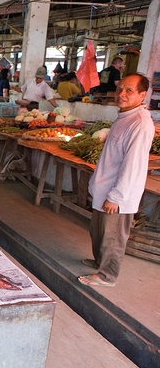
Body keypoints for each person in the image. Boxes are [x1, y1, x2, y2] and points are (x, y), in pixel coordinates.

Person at [78, 74, 154, 288]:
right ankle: (99, 261)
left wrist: (116, 196)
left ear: (142, 95)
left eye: (129, 90)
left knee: (112, 237)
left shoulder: (139, 123)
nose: (122, 94)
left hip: (118, 194)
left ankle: (107, 275)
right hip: (106, 187)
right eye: (120, 89)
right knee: (99, 231)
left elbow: (133, 164)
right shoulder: (125, 117)